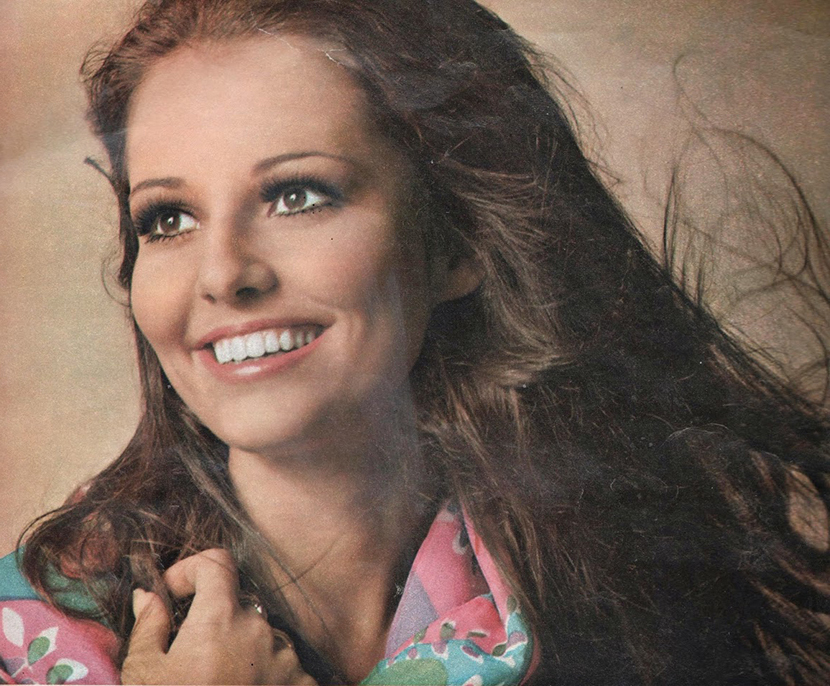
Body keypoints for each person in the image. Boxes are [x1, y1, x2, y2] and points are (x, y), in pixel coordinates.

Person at [1, 0, 828, 683]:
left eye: (297, 195)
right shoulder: (31, 638)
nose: (222, 275)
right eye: (168, 219)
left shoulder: (629, 584)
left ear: (456, 243)